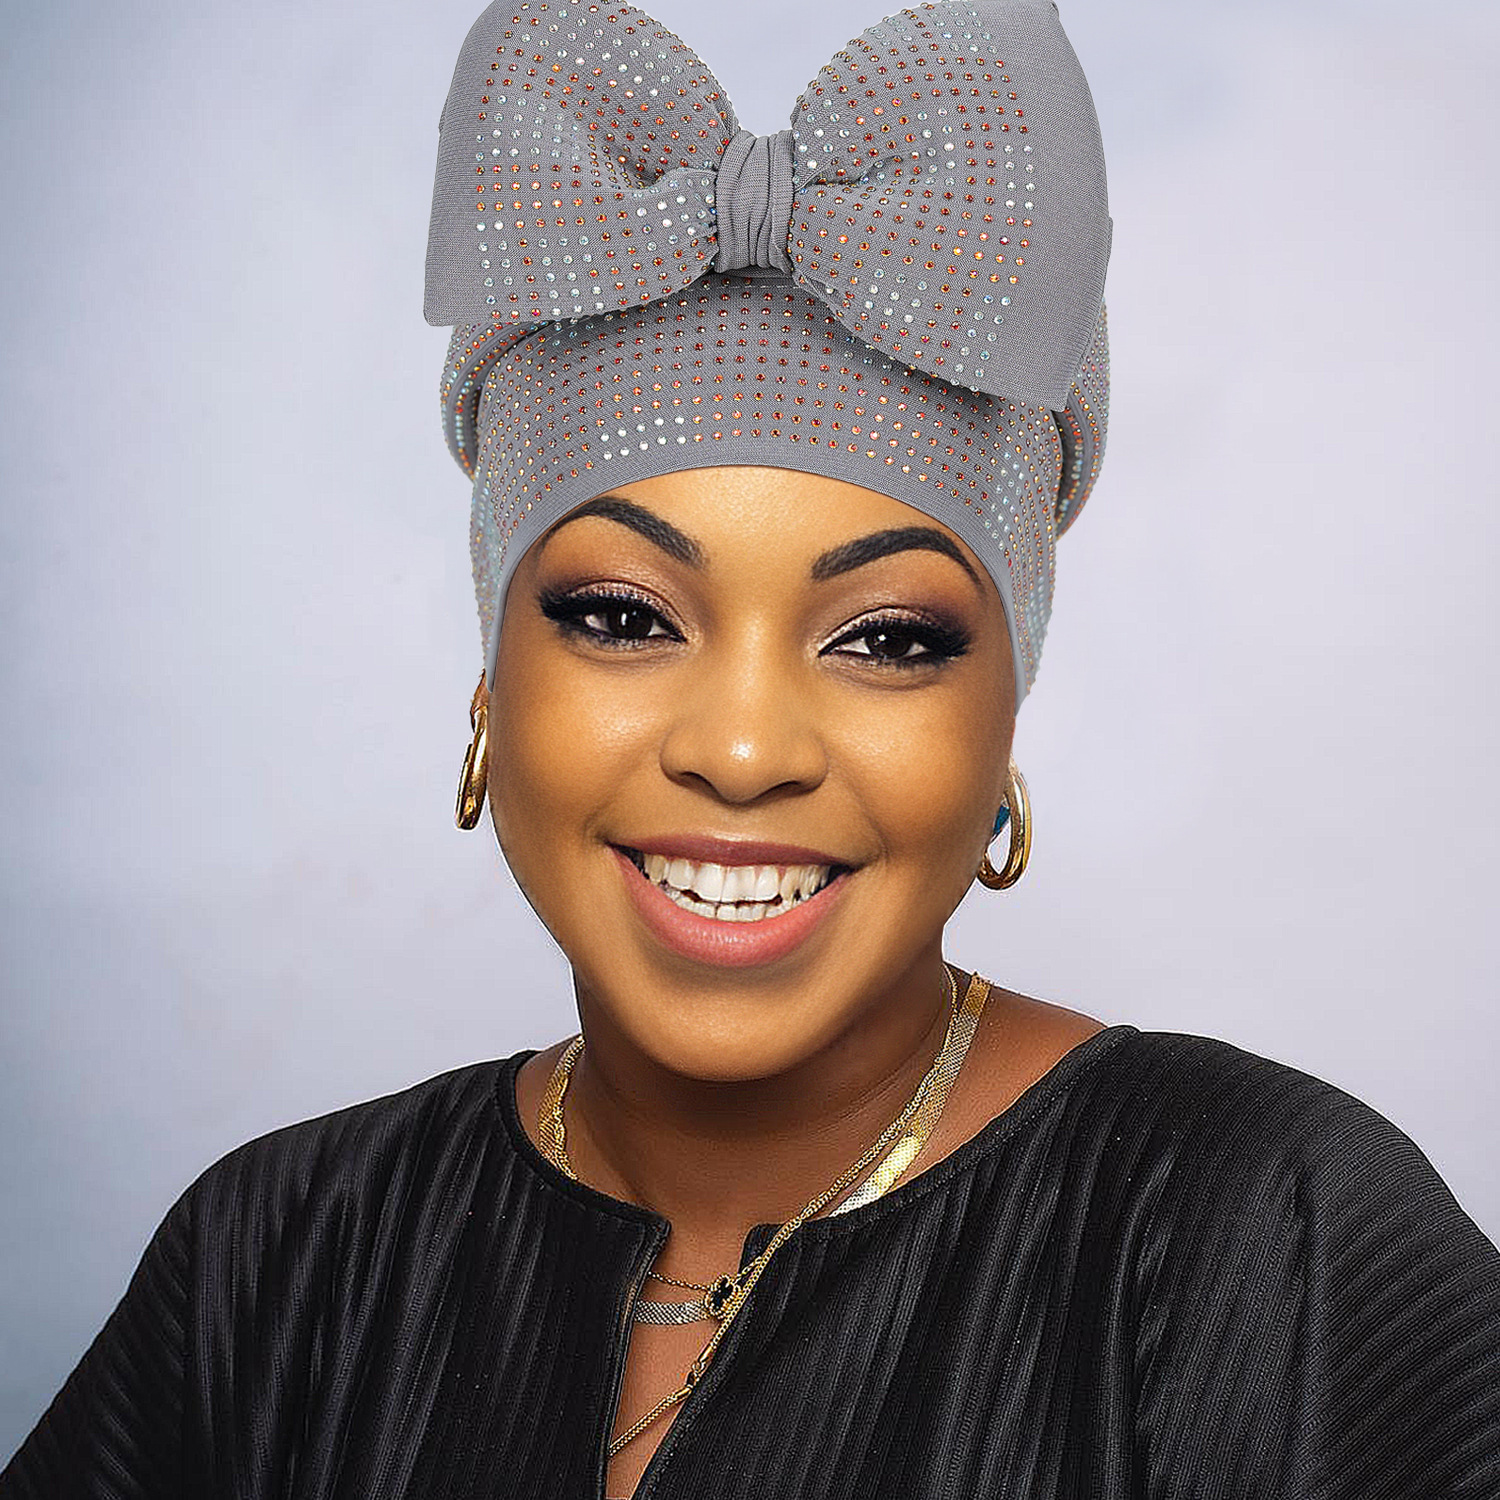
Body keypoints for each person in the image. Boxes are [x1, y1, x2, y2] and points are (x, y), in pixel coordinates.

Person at [4, 0, 1497, 1496]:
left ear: (1004, 718)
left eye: (889, 639)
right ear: (490, 688)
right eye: (620, 617)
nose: (739, 748)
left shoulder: (1272, 1240)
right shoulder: (275, 1262)